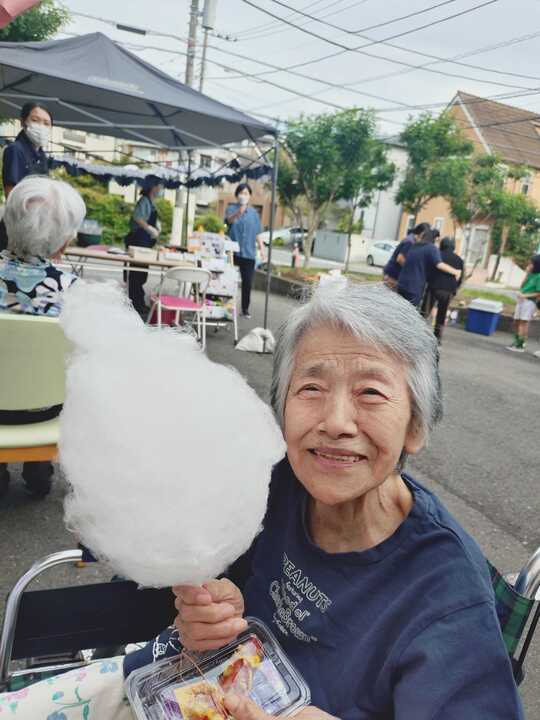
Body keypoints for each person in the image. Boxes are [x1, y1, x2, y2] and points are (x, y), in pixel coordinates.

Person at [121, 282, 523, 720]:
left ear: (416, 426)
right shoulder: (274, 483)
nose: (335, 423)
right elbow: (226, 595)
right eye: (311, 388)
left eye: (370, 393)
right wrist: (214, 617)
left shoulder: (447, 596)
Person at [0, 176, 85, 497]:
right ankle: (38, 469)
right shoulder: (75, 291)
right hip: (45, 409)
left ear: (7, 223)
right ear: (63, 243)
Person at [0, 102, 53, 251]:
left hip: (34, 227)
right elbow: (11, 194)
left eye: (46, 123)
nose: (41, 127)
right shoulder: (15, 150)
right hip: (16, 227)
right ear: (23, 122)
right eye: (35, 120)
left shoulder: (42, 156)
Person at [124, 176, 163, 318]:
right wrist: (149, 228)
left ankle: (138, 302)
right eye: (159, 186)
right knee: (137, 273)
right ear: (153, 187)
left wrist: (156, 227)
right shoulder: (144, 201)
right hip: (138, 240)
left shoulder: (151, 202)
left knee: (141, 273)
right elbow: (138, 218)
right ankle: (135, 304)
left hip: (145, 242)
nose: (161, 189)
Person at [225, 183, 266, 318]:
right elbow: (229, 221)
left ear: (249, 196)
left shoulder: (254, 213)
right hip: (233, 252)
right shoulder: (231, 208)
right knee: (228, 280)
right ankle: (226, 307)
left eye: (246, 193)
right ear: (237, 195)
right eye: (241, 193)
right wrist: (239, 212)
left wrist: (262, 249)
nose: (243, 196)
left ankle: (245, 309)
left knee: (247, 282)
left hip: (248, 253)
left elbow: (257, 233)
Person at [398, 227, 461, 308]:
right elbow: (439, 265)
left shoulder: (415, 246)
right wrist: (456, 271)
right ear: (436, 239)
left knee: (399, 310)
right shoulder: (431, 248)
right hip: (414, 287)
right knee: (409, 311)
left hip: (402, 283)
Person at [422, 236, 464, 344]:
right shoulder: (459, 260)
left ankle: (420, 333)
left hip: (433, 287)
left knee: (425, 312)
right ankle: (437, 337)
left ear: (442, 245)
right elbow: (460, 278)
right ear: (453, 247)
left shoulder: (437, 254)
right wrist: (454, 289)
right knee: (442, 314)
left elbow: (428, 271)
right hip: (448, 290)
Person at [506, 253, 540, 353]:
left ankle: (520, 345)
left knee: (523, 323)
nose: (529, 265)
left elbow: (538, 293)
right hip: (521, 300)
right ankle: (518, 341)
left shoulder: (539, 276)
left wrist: (525, 296)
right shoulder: (531, 274)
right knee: (516, 321)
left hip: (529, 302)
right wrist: (527, 274)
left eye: (531, 263)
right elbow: (522, 286)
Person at [383, 223, 429, 288]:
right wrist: (411, 271)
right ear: (422, 234)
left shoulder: (411, 239)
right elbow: (400, 259)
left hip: (393, 274)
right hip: (392, 275)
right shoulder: (410, 242)